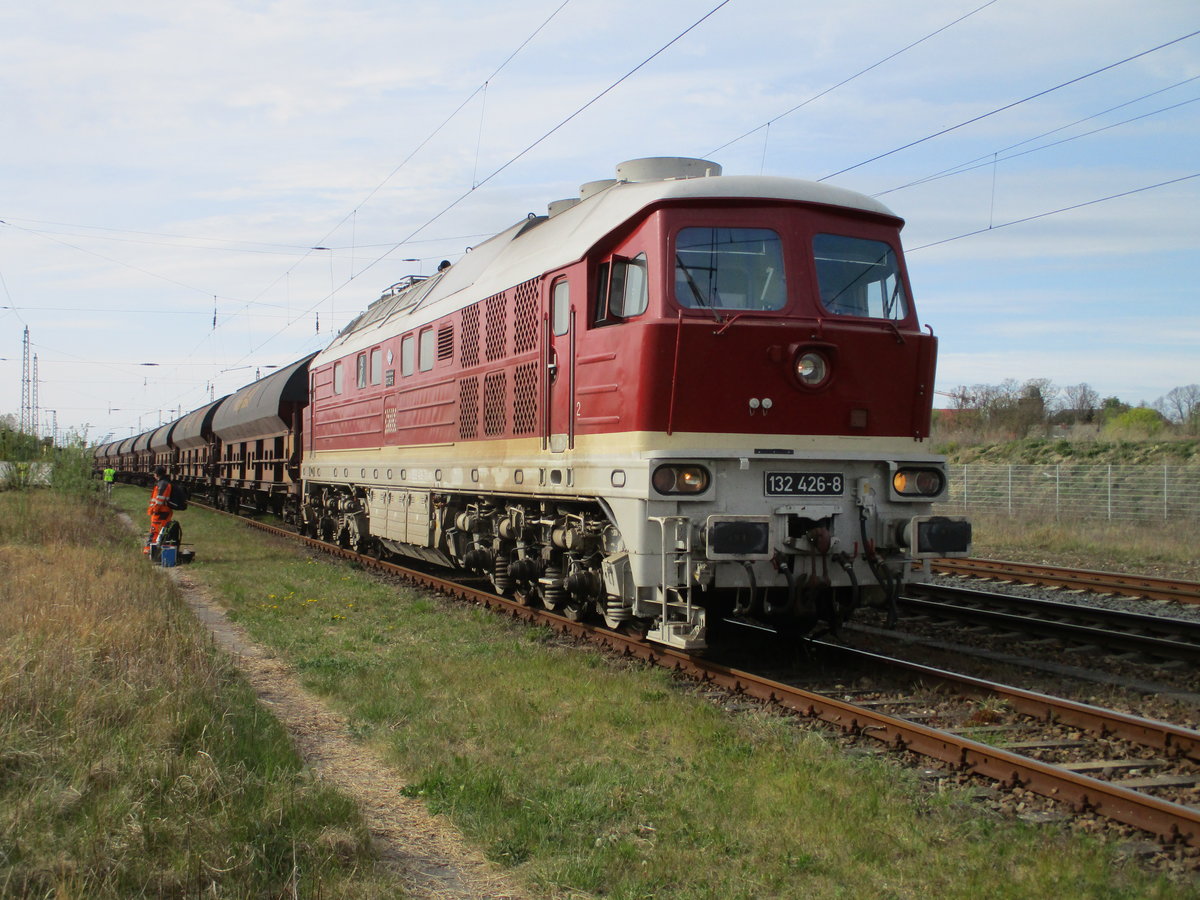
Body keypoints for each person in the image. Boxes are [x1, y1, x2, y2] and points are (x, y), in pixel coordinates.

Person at [145, 466, 174, 555]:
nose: (153, 475)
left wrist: (155, 510)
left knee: (154, 532)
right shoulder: (163, 483)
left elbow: (160, 500)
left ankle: (150, 551)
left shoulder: (163, 484)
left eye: (154, 473)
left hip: (160, 512)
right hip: (163, 511)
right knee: (162, 531)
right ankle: (159, 550)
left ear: (157, 474)